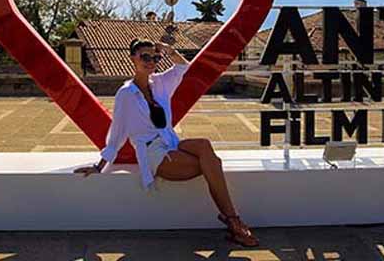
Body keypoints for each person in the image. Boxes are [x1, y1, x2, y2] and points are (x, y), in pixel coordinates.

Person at [75, 38, 259, 247]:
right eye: (145, 57)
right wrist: (100, 165)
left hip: (170, 142)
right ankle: (234, 221)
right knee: (212, 164)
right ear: (133, 59)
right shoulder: (125, 94)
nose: (150, 62)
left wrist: (168, 50)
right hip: (152, 152)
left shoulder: (160, 83)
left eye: (155, 58)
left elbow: (182, 67)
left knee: (204, 145)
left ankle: (232, 221)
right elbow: (117, 133)